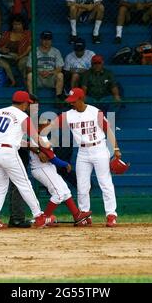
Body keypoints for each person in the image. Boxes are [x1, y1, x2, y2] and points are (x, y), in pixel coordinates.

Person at [44, 88, 121, 227]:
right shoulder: (68, 115)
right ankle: (84, 215)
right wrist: (40, 138)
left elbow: (107, 129)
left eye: (74, 101)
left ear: (81, 99)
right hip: (83, 151)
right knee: (82, 185)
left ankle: (111, 215)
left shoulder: (95, 111)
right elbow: (50, 127)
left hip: (99, 148)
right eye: (70, 101)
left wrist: (116, 148)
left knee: (105, 183)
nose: (72, 104)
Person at [0, 90, 57, 229]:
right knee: (25, 184)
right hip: (8, 151)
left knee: (0, 188)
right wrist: (46, 146)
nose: (27, 106)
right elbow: (35, 137)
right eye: (27, 103)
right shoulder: (23, 116)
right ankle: (39, 216)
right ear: (24, 103)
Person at [30, 117, 92, 225]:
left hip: (47, 168)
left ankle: (77, 215)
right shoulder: (39, 137)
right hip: (41, 168)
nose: (50, 127)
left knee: (65, 191)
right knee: (58, 194)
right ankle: (44, 218)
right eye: (47, 125)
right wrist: (65, 164)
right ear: (40, 127)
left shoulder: (42, 137)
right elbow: (52, 159)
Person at [26, 31, 64, 99]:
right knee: (30, 75)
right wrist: (39, 72)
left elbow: (59, 68)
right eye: (44, 39)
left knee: (60, 75)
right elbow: (29, 68)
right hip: (38, 77)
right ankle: (31, 99)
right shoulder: (34, 51)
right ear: (40, 40)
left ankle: (58, 98)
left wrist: (50, 72)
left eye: (49, 39)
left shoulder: (56, 51)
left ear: (51, 40)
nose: (47, 41)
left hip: (51, 77)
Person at [0, 14, 31, 86]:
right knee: (0, 62)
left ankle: (26, 81)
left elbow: (29, 48)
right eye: (14, 24)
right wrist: (2, 49)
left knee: (24, 62)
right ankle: (12, 81)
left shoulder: (27, 34)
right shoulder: (6, 34)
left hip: (21, 56)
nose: (16, 26)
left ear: (23, 24)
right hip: (8, 56)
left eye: (18, 24)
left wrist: (20, 57)